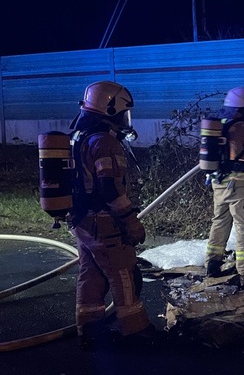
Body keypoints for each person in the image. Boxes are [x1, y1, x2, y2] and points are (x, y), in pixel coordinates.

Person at [68, 80, 157, 350]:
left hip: (82, 220)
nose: (125, 118)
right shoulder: (105, 142)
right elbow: (110, 189)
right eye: (123, 112)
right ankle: (136, 330)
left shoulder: (80, 135)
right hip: (104, 221)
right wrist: (130, 221)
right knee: (123, 273)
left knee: (91, 274)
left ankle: (90, 330)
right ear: (110, 109)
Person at [205, 87, 244, 284]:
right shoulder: (243, 126)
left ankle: (212, 263)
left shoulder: (221, 125)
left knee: (219, 222)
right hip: (238, 183)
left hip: (219, 181)